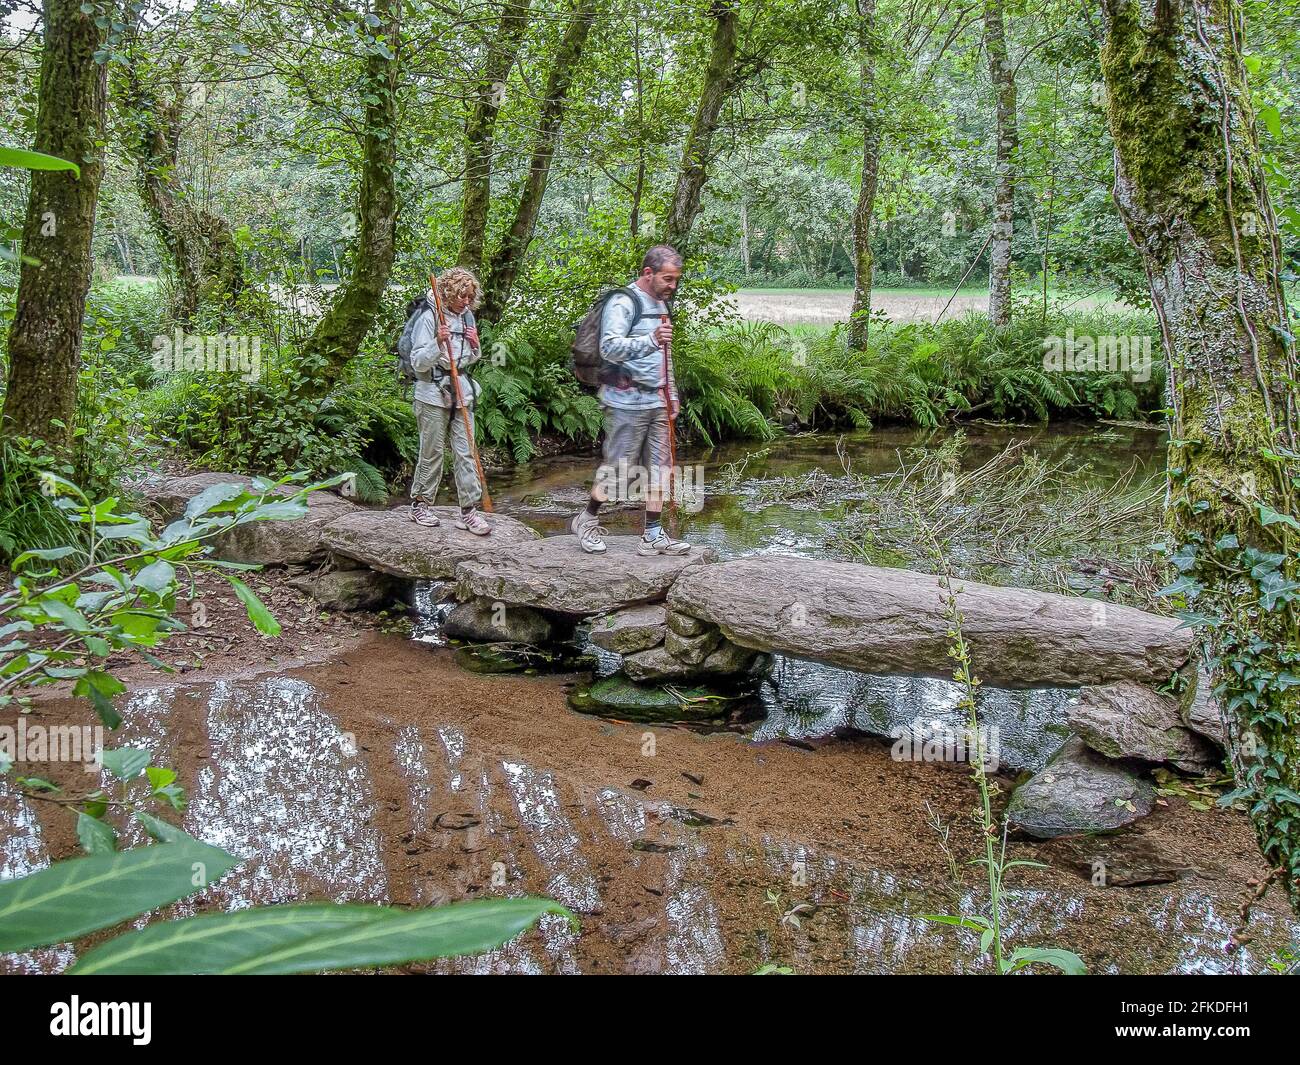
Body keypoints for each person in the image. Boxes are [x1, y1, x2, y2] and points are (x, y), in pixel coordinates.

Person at [570, 244, 689, 556]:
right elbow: (609, 348)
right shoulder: (623, 302)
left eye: (676, 279)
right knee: (620, 471)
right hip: (625, 400)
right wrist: (650, 339)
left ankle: (652, 534)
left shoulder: (661, 304)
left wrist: (671, 391)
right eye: (667, 279)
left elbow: (666, 354)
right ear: (648, 273)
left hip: (658, 400)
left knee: (660, 469)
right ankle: (587, 519)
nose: (672, 286)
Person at [407, 267, 491, 535]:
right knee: (431, 452)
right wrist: (437, 343)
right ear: (449, 292)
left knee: (466, 451)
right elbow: (418, 361)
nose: (466, 302)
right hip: (431, 393)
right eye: (462, 296)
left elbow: (469, 359)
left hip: (462, 392)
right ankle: (420, 504)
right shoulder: (430, 316)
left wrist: (476, 346)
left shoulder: (467, 317)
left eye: (470, 297)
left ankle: (468, 510)